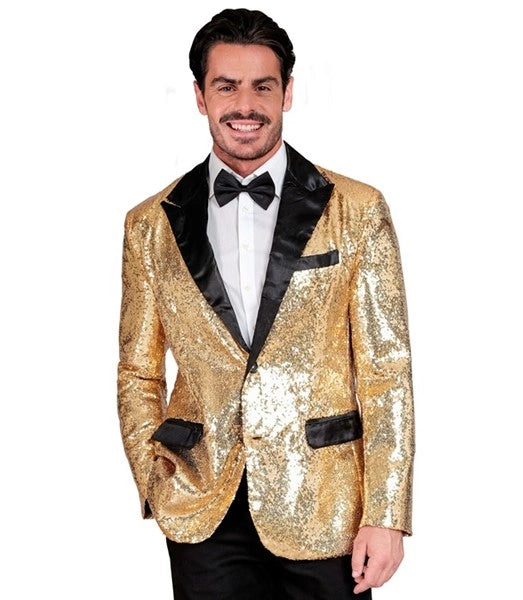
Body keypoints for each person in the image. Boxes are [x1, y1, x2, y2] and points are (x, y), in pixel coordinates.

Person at [117, 8, 415, 599]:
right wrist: (156, 481)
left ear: (288, 92)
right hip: (203, 506)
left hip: (327, 504)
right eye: (226, 86)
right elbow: (137, 370)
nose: (245, 105)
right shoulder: (148, 225)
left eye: (263, 86)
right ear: (200, 96)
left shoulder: (357, 209)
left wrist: (386, 512)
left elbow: (387, 372)